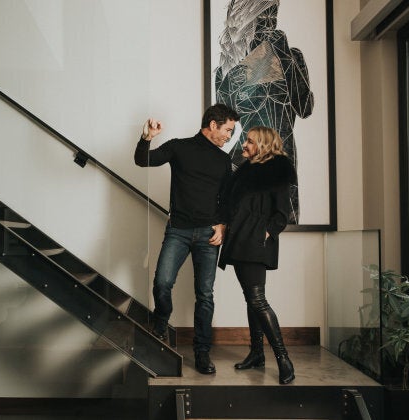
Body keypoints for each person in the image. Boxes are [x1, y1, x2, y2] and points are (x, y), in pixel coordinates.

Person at [134, 104, 238, 374]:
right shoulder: (179, 147)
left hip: (208, 235)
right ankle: (160, 325)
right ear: (213, 124)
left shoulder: (223, 160)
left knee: (205, 295)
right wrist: (146, 138)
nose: (230, 135)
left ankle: (202, 353)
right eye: (228, 129)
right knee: (162, 282)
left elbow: (227, 199)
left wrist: (223, 226)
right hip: (178, 230)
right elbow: (143, 160)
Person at [215, 0, 313, 223]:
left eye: (273, 15)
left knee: (282, 226)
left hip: (282, 160)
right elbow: (224, 126)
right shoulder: (227, 69)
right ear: (245, 20)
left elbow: (305, 108)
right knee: (241, 233)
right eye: (262, 16)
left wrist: (283, 55)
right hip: (243, 164)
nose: (270, 23)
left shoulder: (292, 56)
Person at [218, 125, 296, 384]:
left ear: (263, 144)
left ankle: (283, 358)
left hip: (253, 243)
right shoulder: (245, 171)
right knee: (251, 299)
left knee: (257, 299)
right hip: (239, 240)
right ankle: (256, 353)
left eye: (250, 142)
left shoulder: (277, 170)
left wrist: (261, 234)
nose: (245, 145)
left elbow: (282, 214)